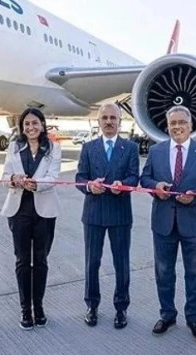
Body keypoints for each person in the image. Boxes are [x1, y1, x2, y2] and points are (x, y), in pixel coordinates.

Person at [139, 105, 196, 343]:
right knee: (164, 272)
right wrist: (156, 187)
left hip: (194, 223)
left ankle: (194, 319)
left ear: (190, 125)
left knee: (195, 274)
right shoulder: (156, 151)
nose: (177, 127)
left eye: (182, 122)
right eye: (173, 123)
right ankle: (167, 315)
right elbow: (145, 178)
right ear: (168, 126)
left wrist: (195, 195)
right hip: (163, 222)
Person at [75, 103, 140, 329]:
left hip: (120, 214)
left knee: (121, 263)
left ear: (120, 121)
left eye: (113, 118)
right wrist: (89, 186)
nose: (109, 122)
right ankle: (91, 305)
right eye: (105, 118)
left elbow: (134, 177)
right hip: (93, 214)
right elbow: (80, 178)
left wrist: (123, 184)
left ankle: (121, 307)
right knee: (92, 263)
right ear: (99, 121)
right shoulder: (88, 148)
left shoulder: (130, 148)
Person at [0, 108, 61, 330]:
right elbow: (4, 177)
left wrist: (36, 185)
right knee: (23, 261)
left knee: (41, 261)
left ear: (42, 125)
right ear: (22, 127)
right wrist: (13, 179)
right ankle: (26, 309)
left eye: (35, 123)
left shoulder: (53, 148)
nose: (31, 127)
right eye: (26, 124)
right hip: (19, 211)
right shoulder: (14, 147)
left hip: (44, 212)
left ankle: (39, 307)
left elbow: (53, 177)